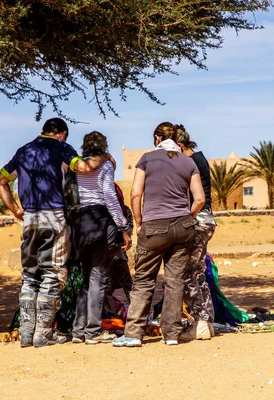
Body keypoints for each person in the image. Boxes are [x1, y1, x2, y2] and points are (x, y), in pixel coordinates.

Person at [0, 117, 113, 348]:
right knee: (54, 272)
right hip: (54, 217)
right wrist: (105, 157)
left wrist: (16, 210)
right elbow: (83, 167)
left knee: (30, 275)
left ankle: (26, 334)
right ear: (63, 134)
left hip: (29, 219)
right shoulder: (61, 148)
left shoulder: (23, 151)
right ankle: (44, 333)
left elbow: (0, 181)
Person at [113, 122, 205, 348]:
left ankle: (134, 333)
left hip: (154, 225)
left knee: (144, 280)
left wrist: (138, 221)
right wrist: (187, 217)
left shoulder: (147, 159)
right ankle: (171, 334)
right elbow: (200, 198)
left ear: (157, 138)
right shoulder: (188, 161)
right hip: (183, 228)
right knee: (175, 281)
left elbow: (136, 194)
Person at [70, 131, 132, 345]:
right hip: (100, 220)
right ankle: (93, 332)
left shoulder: (75, 166)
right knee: (98, 276)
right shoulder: (105, 165)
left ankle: (78, 330)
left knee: (85, 277)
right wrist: (123, 226)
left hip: (79, 223)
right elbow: (109, 197)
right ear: (104, 146)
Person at [174, 126, 217, 340]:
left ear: (180, 146)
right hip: (207, 220)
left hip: (197, 220)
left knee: (186, 272)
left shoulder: (191, 162)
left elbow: (197, 198)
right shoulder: (200, 159)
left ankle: (200, 320)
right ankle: (206, 322)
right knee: (198, 271)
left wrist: (186, 218)